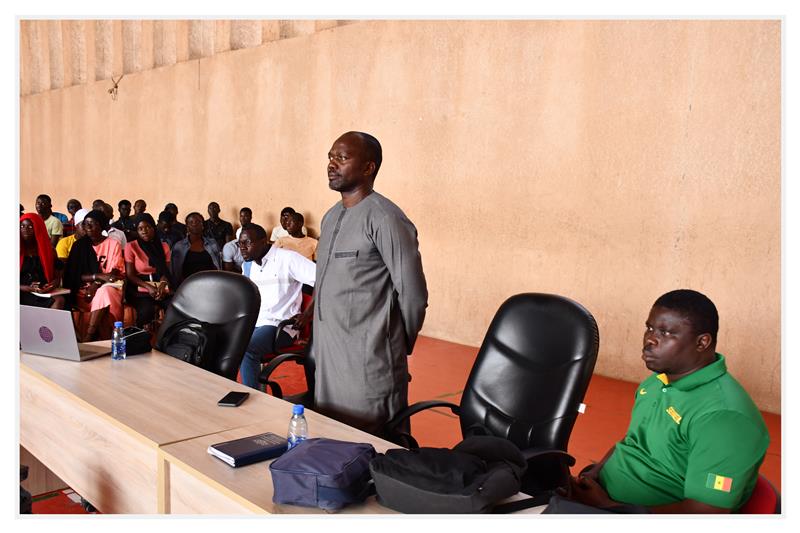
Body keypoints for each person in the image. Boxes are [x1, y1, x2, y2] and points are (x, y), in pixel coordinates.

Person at [564, 289, 769, 514]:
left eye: (666, 332)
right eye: (650, 328)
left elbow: (706, 513)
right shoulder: (656, 383)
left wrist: (608, 507)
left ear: (702, 342)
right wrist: (594, 474)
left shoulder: (724, 417)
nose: (650, 339)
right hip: (601, 497)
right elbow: (633, 440)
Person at [313, 131, 428, 438]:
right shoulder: (330, 217)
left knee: (372, 446)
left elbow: (413, 294)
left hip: (368, 362)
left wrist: (392, 345)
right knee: (332, 441)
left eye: (342, 157)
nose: (332, 164)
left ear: (368, 168)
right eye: (330, 157)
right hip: (328, 358)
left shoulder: (385, 218)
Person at [237, 223, 316, 390]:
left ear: (263, 241)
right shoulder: (248, 265)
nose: (242, 248)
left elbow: (322, 279)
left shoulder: (287, 259)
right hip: (254, 323)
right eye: (240, 243)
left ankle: (254, 400)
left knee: (246, 350)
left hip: (279, 326)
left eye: (247, 243)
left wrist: (307, 314)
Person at [62, 209, 125, 341]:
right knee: (102, 294)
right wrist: (98, 277)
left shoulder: (113, 244)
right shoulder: (79, 246)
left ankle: (89, 336)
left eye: (93, 223)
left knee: (104, 292)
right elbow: (74, 275)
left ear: (101, 225)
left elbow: (114, 272)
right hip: (83, 291)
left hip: (109, 288)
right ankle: (104, 338)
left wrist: (96, 284)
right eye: (86, 224)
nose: (89, 227)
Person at [124, 213, 173, 330]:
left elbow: (166, 271)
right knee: (146, 310)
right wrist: (148, 287)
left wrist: (162, 284)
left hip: (159, 284)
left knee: (174, 306)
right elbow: (130, 275)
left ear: (153, 228)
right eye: (140, 229)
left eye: (147, 227)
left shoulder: (164, 246)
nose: (144, 231)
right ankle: (142, 338)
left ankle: (168, 337)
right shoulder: (131, 246)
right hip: (139, 286)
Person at [20, 213, 65, 309]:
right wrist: (28, 288)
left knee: (59, 300)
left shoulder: (49, 250)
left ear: (38, 229)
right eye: (22, 226)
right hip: (20, 291)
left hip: (42, 291)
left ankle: (48, 324)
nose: (25, 230)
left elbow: (57, 277)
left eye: (30, 227)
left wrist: (52, 285)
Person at [170, 212, 221, 286]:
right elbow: (175, 271)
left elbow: (218, 265)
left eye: (198, 221)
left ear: (202, 225)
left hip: (210, 283)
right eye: (191, 222)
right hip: (187, 285)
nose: (194, 224)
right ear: (187, 227)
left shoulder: (212, 243)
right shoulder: (179, 246)